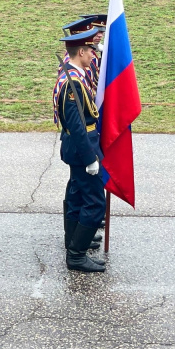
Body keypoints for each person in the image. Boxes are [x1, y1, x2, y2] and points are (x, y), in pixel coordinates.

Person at [54, 26, 106, 273]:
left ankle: (74, 241)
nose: (93, 56)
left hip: (80, 147)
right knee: (95, 201)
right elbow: (75, 124)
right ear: (82, 51)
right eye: (91, 51)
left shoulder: (75, 76)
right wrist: (90, 158)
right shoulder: (71, 83)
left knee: (76, 195)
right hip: (81, 148)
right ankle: (77, 255)